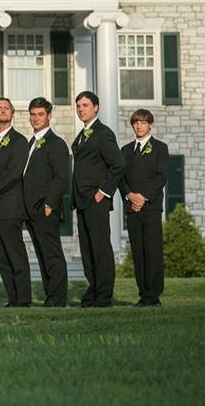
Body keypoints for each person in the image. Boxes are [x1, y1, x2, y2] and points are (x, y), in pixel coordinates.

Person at [71, 91, 125, 308]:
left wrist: (103, 192)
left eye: (85, 105)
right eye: (78, 105)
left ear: (96, 107)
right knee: (87, 250)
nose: (80, 109)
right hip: (82, 201)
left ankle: (104, 296)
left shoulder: (103, 133)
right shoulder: (83, 134)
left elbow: (119, 164)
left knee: (100, 248)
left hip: (96, 200)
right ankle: (93, 290)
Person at [0, 98, 30, 307]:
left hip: (9, 207)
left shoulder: (19, 141)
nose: (2, 111)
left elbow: (14, 172)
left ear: (12, 114)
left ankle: (24, 299)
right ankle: (12, 298)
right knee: (1, 256)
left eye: (6, 108)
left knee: (15, 254)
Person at [22, 97, 70, 307]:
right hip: (31, 210)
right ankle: (50, 294)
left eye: (40, 114)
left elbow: (62, 177)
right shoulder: (30, 143)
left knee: (52, 255)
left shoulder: (56, 143)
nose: (36, 118)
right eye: (33, 114)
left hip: (46, 209)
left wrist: (49, 204)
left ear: (49, 116)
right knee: (42, 255)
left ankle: (58, 298)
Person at [120, 109, 169, 307]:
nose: (139, 126)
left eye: (143, 122)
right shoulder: (125, 151)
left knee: (152, 251)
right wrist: (130, 195)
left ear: (150, 124)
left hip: (150, 207)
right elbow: (121, 178)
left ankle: (153, 296)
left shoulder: (160, 148)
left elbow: (161, 176)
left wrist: (143, 197)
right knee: (138, 253)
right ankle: (143, 294)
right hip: (132, 208)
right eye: (136, 122)